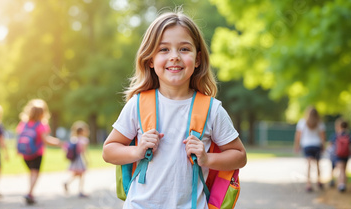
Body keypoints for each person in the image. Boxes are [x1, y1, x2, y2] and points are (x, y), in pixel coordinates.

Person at [102, 8, 247, 208]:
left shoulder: (211, 110)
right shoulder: (137, 104)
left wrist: (207, 158)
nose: (174, 56)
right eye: (164, 49)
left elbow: (239, 156)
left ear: (197, 59)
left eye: (184, 49)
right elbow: (109, 151)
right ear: (150, 60)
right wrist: (138, 151)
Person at [16, 99, 62, 205]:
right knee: (35, 173)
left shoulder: (24, 124)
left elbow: (19, 136)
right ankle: (30, 193)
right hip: (37, 153)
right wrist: (59, 143)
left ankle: (30, 192)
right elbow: (46, 140)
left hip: (25, 153)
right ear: (43, 113)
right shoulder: (41, 125)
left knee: (31, 173)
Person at [294, 106, 326, 192]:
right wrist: (323, 146)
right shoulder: (320, 123)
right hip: (316, 145)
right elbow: (322, 136)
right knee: (318, 164)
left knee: (308, 165)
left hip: (307, 145)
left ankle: (308, 184)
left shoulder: (302, 122)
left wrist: (296, 146)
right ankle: (319, 181)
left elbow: (298, 136)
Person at [63, 121, 90, 198]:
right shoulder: (84, 140)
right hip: (80, 159)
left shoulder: (73, 139)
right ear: (82, 131)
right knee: (81, 174)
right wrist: (87, 160)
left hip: (74, 160)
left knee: (77, 174)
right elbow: (84, 151)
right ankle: (80, 191)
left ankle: (67, 183)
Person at [330, 118, 351, 192]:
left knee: (341, 170)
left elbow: (331, 145)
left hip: (338, 154)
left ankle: (341, 184)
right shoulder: (348, 135)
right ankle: (344, 183)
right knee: (344, 169)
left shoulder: (336, 135)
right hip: (346, 154)